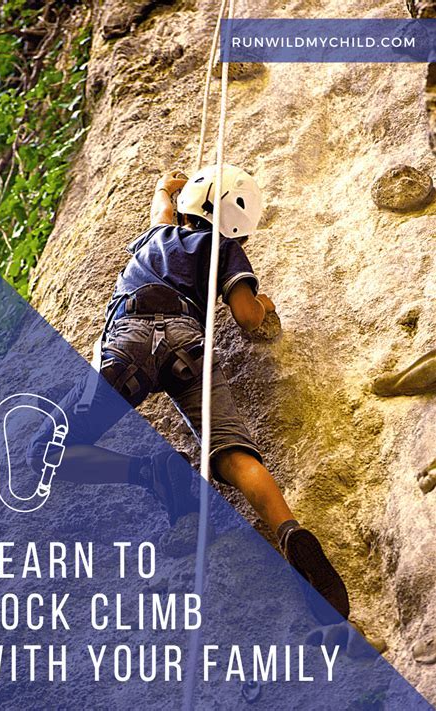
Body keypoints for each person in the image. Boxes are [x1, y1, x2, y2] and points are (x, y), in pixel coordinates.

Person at [29, 164, 349, 624]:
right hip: (187, 343)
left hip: (127, 341)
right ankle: (290, 532)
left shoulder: (154, 237)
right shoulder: (223, 247)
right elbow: (246, 316)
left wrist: (166, 183)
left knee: (45, 450)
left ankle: (151, 470)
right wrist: (266, 306)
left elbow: (162, 206)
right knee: (234, 455)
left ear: (185, 208)